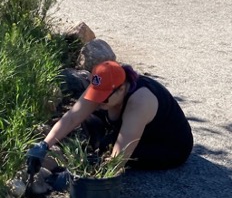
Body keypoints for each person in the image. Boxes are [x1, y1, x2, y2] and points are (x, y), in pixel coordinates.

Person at [27, 60, 193, 176]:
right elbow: (72, 117)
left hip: (168, 147)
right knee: (89, 120)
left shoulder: (140, 102)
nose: (99, 100)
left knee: (108, 147)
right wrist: (44, 145)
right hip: (134, 128)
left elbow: (118, 160)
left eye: (104, 97)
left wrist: (77, 178)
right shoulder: (106, 83)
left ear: (121, 89)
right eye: (96, 95)